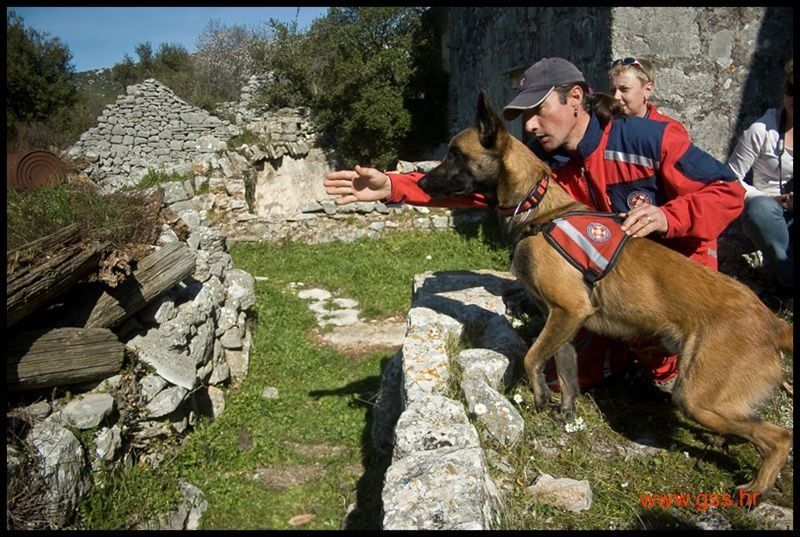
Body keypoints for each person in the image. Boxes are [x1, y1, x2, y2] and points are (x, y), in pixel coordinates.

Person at [325, 57, 745, 392]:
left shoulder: (650, 138)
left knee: (682, 388)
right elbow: (480, 191)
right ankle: (625, 351)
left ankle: (668, 356)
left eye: (539, 111)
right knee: (557, 379)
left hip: (677, 282)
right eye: (524, 114)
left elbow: (728, 192)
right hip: (604, 288)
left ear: (575, 98)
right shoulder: (545, 163)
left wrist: (667, 216)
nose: (529, 125)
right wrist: (392, 187)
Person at [726, 58, 793, 291]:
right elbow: (731, 177)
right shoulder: (762, 130)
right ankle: (787, 280)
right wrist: (769, 198)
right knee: (761, 209)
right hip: (770, 213)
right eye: (791, 89)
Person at [608, 56, 681, 126]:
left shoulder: (666, 130)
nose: (615, 97)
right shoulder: (604, 126)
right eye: (612, 91)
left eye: (624, 89)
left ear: (647, 90)